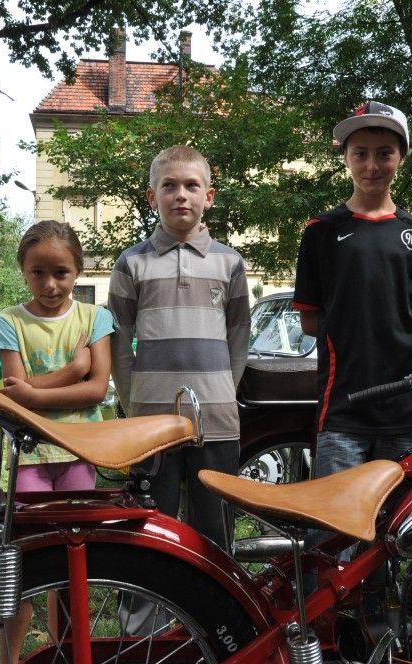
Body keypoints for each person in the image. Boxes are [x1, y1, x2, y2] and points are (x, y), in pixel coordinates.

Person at [293, 101, 412, 481]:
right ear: (346, 158)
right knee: (335, 530)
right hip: (341, 412)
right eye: (360, 154)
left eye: (385, 154)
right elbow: (310, 321)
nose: (371, 166)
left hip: (405, 413)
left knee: (397, 526)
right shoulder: (321, 231)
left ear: (401, 158)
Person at [0, 219, 114, 663]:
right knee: (22, 567)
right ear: (23, 271)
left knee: (67, 568)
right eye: (38, 272)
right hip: (30, 457)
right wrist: (70, 373)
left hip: (80, 453)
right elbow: (14, 396)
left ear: (77, 270)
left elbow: (97, 391)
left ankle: (67, 654)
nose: (51, 283)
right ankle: (10, 659)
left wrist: (35, 392)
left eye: (61, 272)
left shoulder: (95, 318)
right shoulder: (8, 323)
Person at [109, 144, 250, 549]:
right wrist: (135, 403)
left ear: (209, 196)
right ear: (153, 196)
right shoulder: (131, 263)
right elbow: (119, 338)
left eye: (191, 186)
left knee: (215, 533)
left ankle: (214, 613)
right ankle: (144, 610)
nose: (181, 195)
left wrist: (222, 391)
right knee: (148, 530)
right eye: (169, 186)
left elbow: (239, 336)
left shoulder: (230, 263)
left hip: (217, 422)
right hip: (150, 421)